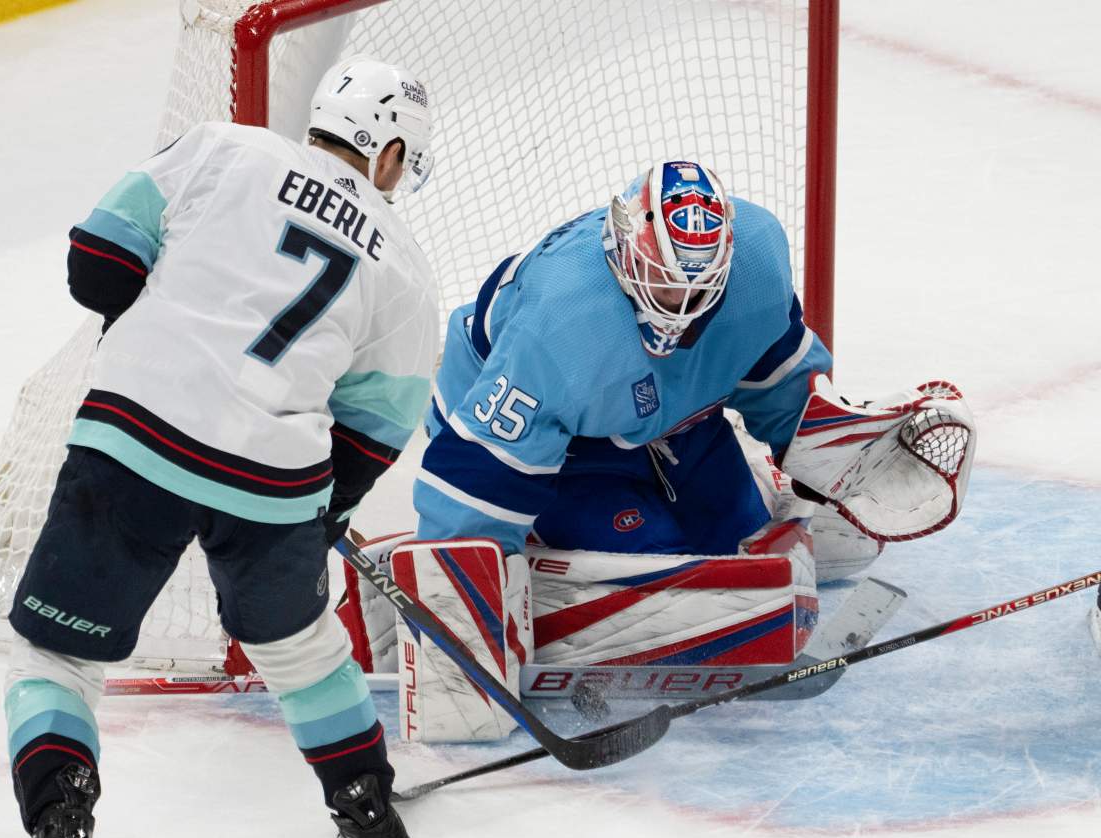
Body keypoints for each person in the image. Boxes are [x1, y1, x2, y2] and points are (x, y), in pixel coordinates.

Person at [0, 56, 438, 838]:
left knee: (54, 652)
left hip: (134, 436)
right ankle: (365, 811)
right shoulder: (406, 263)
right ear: (388, 153)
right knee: (301, 648)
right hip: (273, 479)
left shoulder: (222, 149)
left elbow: (95, 263)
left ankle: (62, 821)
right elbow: (375, 426)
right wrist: (325, 504)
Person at [344, 160, 974, 743]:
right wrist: (457, 602)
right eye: (663, 283)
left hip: (672, 419)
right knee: (663, 574)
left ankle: (725, 505)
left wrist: (828, 455)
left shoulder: (756, 258)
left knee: (732, 551)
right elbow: (477, 483)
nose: (677, 307)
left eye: (697, 289)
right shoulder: (562, 326)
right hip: (556, 442)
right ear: (623, 249)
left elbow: (775, 378)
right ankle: (457, 572)